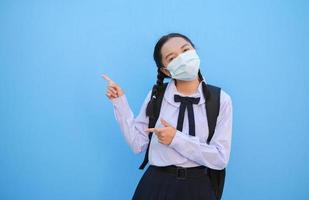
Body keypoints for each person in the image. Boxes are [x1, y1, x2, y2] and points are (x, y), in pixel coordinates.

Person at [102, 33, 233, 200]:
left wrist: (176, 139)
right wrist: (120, 103)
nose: (183, 59)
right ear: (166, 70)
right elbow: (137, 144)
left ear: (195, 51)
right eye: (172, 58)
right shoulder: (157, 96)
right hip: (156, 185)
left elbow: (220, 158)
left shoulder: (221, 99)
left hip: (198, 188)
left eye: (186, 50)